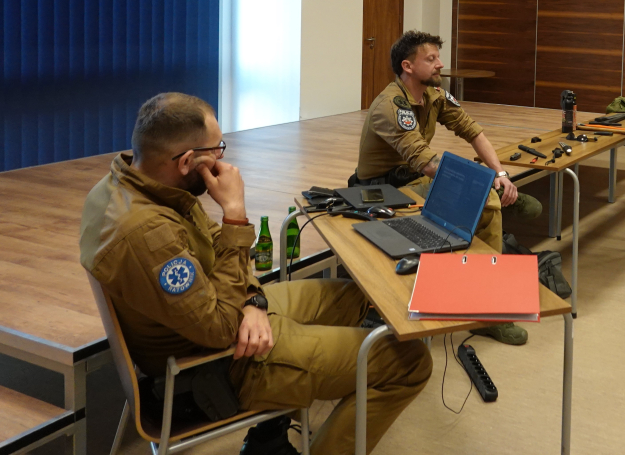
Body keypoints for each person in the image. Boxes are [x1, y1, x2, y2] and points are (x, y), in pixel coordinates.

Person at [80, 93, 432, 455]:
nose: (223, 159)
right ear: (187, 161)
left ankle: (269, 436)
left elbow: (217, 244)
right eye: (217, 150)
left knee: (355, 296)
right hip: (220, 364)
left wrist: (253, 299)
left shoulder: (134, 184)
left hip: (224, 310)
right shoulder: (146, 233)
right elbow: (218, 329)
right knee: (410, 362)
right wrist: (234, 211)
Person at [352, 31, 546, 345]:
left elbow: (472, 130)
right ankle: (487, 312)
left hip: (415, 181)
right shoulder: (391, 105)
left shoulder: (434, 93)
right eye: (431, 59)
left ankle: (479, 298)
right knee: (488, 206)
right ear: (408, 66)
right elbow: (426, 162)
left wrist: (500, 172)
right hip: (385, 191)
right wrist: (481, 183)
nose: (441, 64)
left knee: (484, 203)